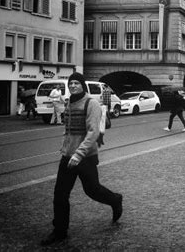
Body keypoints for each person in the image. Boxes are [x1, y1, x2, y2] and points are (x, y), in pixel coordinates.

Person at [41, 72, 123, 246]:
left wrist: (78, 154)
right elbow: (69, 130)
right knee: (60, 194)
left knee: (92, 190)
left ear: (83, 85)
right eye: (71, 84)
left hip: (86, 157)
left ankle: (115, 200)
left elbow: (93, 132)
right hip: (68, 155)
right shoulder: (69, 102)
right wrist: (66, 148)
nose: (72, 86)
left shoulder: (91, 103)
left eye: (76, 83)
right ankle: (59, 231)